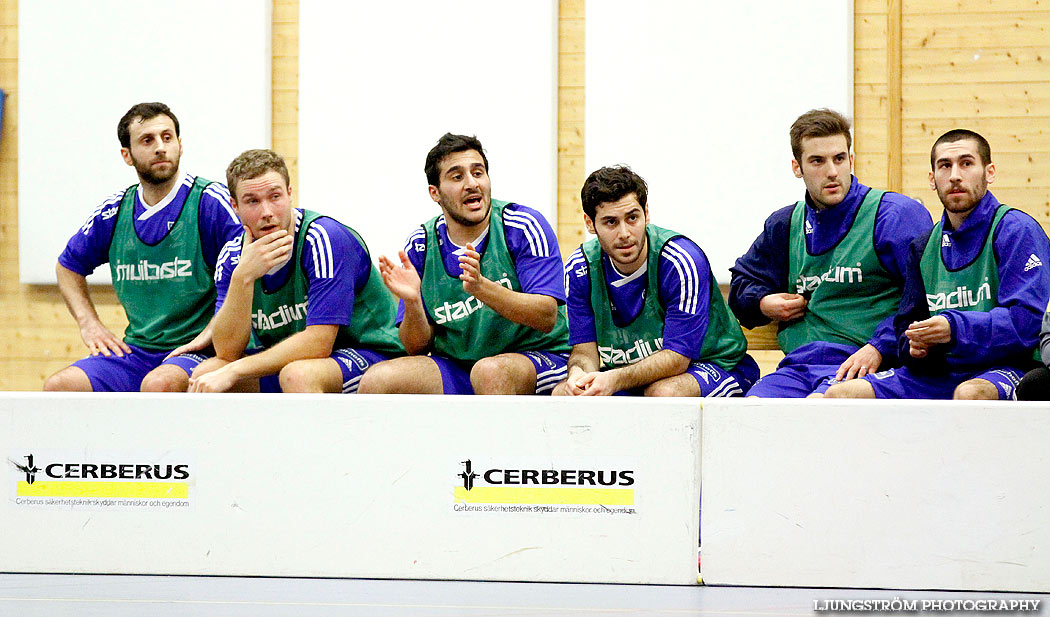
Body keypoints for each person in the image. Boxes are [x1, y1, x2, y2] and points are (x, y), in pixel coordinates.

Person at [825, 129, 1050, 400]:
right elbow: (906, 323)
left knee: (970, 395)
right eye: (945, 165)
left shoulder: (1016, 230)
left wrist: (954, 328)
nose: (955, 175)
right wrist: (916, 348)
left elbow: (1028, 323)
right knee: (841, 395)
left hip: (1009, 366)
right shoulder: (923, 246)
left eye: (966, 164)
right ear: (932, 179)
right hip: (943, 371)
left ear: (989, 172)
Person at [729, 108, 932, 397]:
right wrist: (763, 303)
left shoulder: (895, 216)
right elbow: (741, 285)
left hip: (869, 364)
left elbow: (927, 299)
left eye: (839, 159)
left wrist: (880, 347)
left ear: (851, 159)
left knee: (822, 409)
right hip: (798, 367)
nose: (832, 171)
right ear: (797, 167)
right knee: (750, 415)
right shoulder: (785, 225)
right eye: (817, 161)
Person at [44, 102, 243, 392]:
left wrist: (215, 329)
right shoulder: (114, 212)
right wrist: (90, 324)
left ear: (180, 145)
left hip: (199, 349)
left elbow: (248, 271)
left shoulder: (210, 202)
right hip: (137, 352)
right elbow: (68, 266)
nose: (160, 147)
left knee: (158, 385)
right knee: (59, 386)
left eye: (167, 137)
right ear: (127, 155)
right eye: (147, 140)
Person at [358, 133, 570, 395]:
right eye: (457, 177)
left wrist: (482, 288)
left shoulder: (522, 225)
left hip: (538, 357)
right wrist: (413, 303)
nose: (472, 184)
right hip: (459, 366)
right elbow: (416, 347)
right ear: (434, 193)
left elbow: (547, 316)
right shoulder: (421, 245)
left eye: (478, 173)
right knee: (378, 380)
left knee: (490, 373)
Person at [187, 149, 402, 393]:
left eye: (275, 197)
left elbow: (319, 343)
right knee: (207, 373)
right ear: (234, 206)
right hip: (297, 357)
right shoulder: (232, 255)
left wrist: (236, 369)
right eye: (252, 201)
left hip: (371, 353)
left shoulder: (324, 239)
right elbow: (227, 351)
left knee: (297, 375)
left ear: (290, 194)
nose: (267, 212)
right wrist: (242, 277)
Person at [552, 165, 758, 396]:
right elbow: (584, 352)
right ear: (590, 224)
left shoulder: (680, 261)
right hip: (628, 373)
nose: (625, 233)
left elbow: (677, 359)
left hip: (714, 365)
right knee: (565, 394)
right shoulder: (580, 269)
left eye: (632, 218)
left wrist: (614, 379)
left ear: (646, 213)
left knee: (663, 394)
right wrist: (578, 375)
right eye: (611, 222)